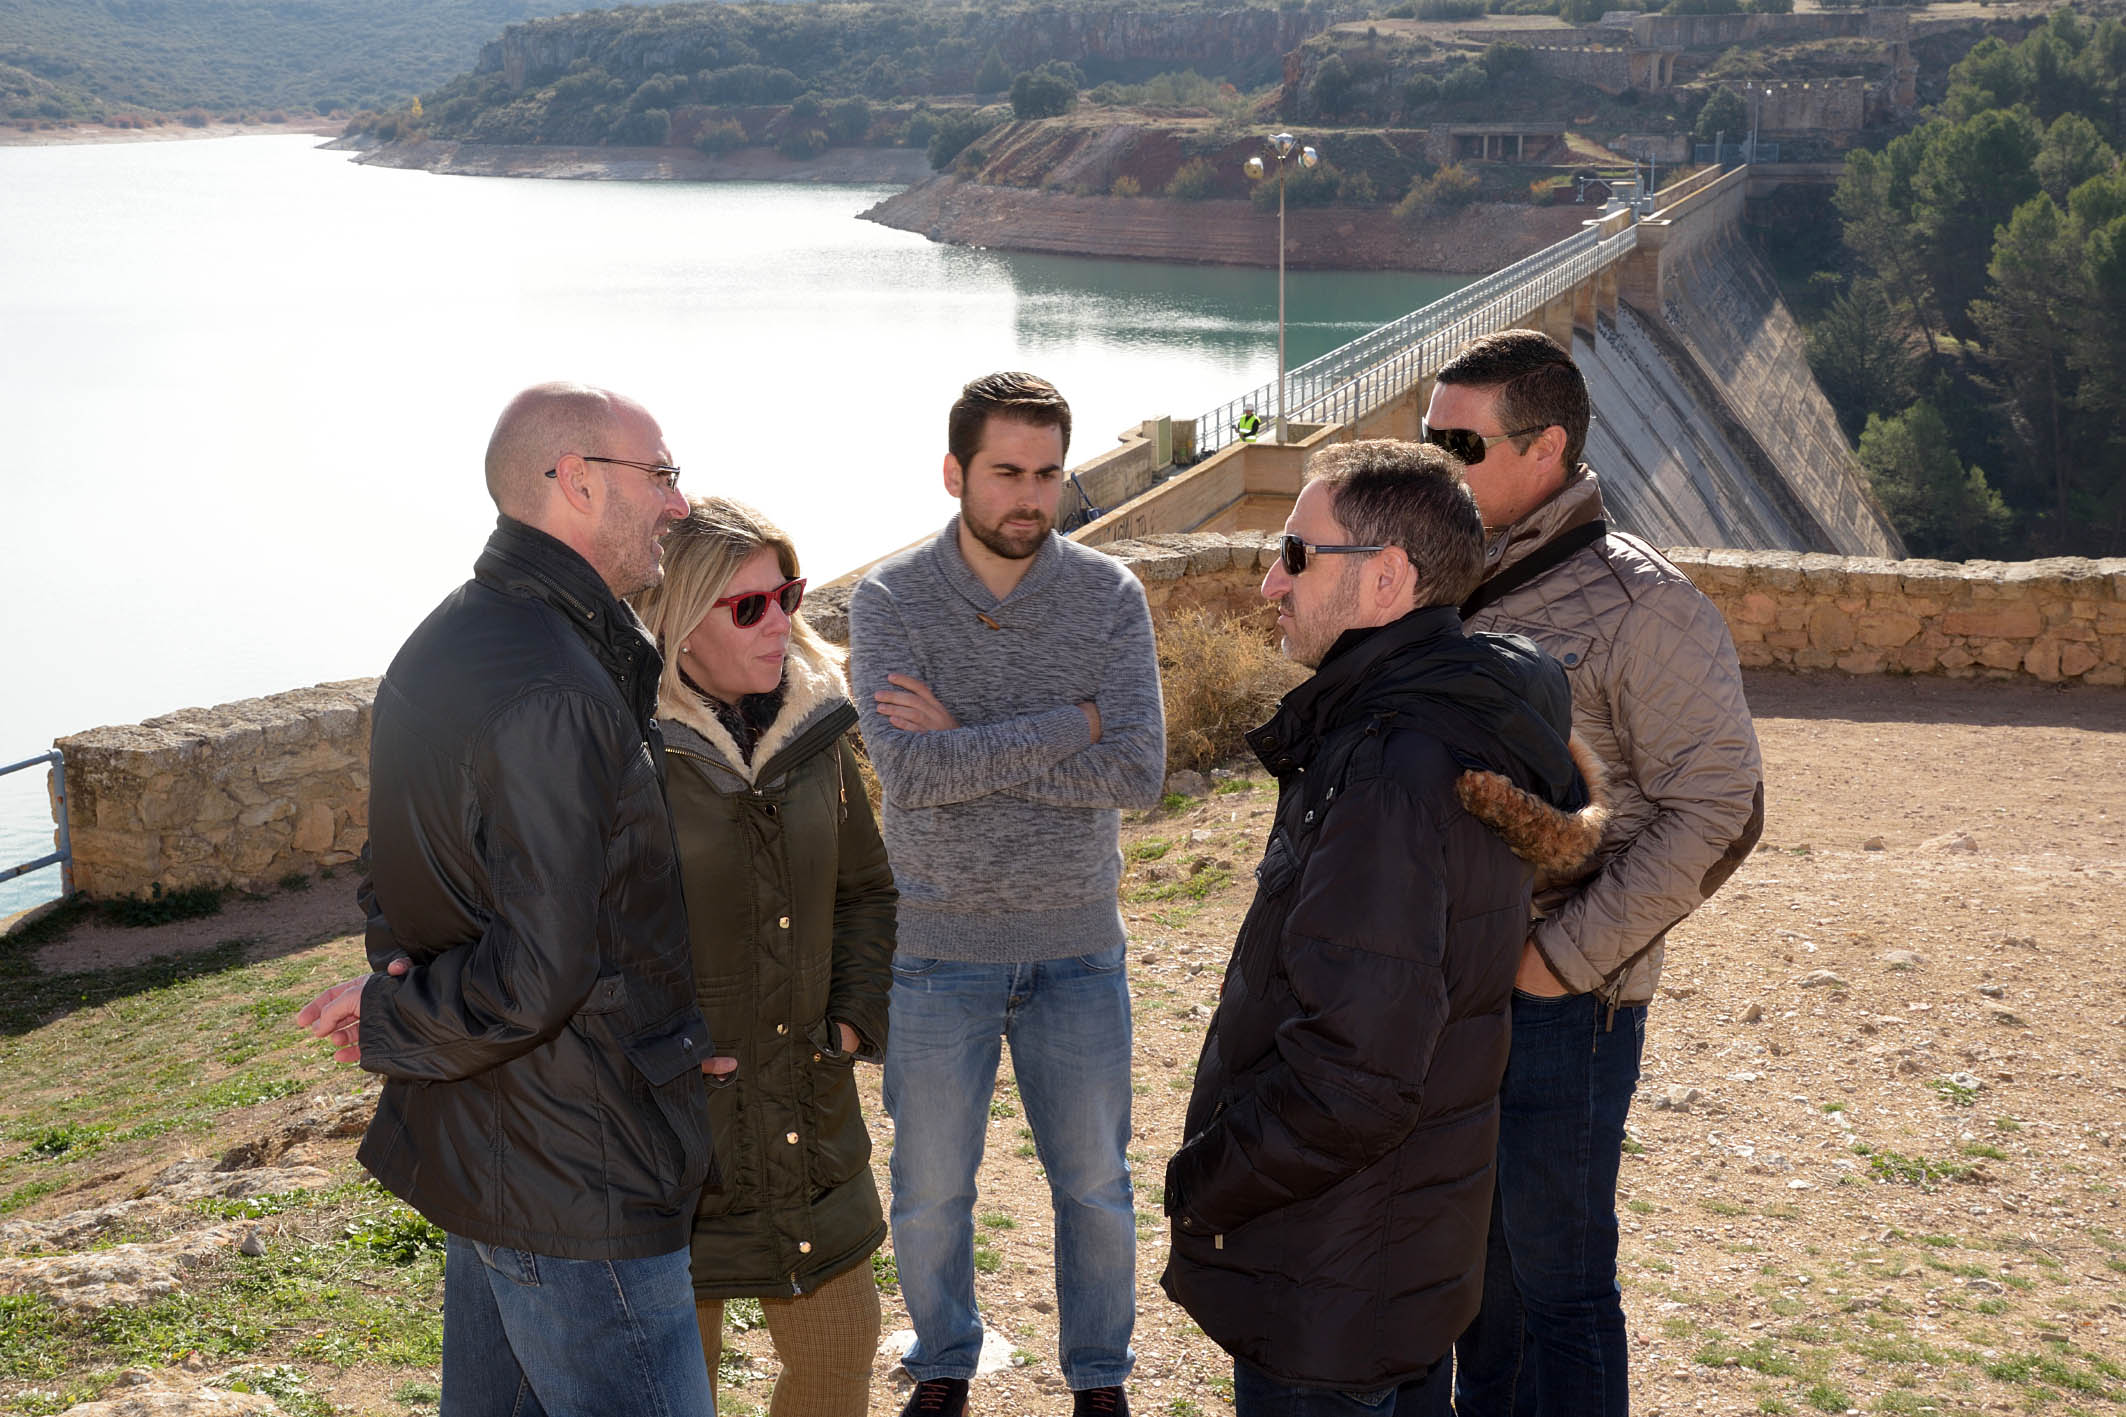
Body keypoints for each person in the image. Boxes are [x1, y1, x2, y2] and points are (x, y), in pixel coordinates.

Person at [297, 381, 723, 1417]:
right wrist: (399, 1011)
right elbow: (540, 975)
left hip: (502, 1141)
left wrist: (399, 985)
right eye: (661, 474)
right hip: (576, 1166)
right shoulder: (553, 684)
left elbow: (394, 867)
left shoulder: (463, 635)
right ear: (577, 481)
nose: (679, 502)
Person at [1161, 439, 1607, 1417]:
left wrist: (1202, 1179)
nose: (1266, 582)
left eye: (1292, 553)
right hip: (1396, 1261)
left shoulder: (1391, 769)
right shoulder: (1443, 722)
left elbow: (1354, 1082)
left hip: (1329, 1279)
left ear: (1385, 580)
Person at [1427, 330, 1765, 1417]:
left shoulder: (1641, 604)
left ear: (1546, 448)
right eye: (1425, 440)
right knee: (1472, 1288)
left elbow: (1721, 810)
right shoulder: (1444, 576)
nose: (1438, 464)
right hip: (1448, 992)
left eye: (1459, 444)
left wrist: (1556, 963)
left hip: (1565, 1007)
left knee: (1558, 1290)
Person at [848, 371, 1166, 1417]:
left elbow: (1136, 773)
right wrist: (1070, 721)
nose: (1028, 496)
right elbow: (912, 772)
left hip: (1079, 944)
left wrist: (970, 740)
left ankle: (1099, 1380)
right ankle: (943, 1361)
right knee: (931, 1192)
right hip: (939, 948)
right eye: (1004, 473)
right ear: (955, 473)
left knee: (1095, 1189)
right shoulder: (892, 600)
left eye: (1045, 473)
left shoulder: (1108, 596)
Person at [630, 496, 899, 1417]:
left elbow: (867, 889)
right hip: (670, 1143)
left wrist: (855, 1020)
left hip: (810, 1115)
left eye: (786, 593)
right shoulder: (620, 750)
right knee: (671, 1395)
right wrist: (647, 1054)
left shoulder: (817, 732)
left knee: (836, 1370)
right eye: (749, 606)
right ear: (678, 624)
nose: (783, 618)